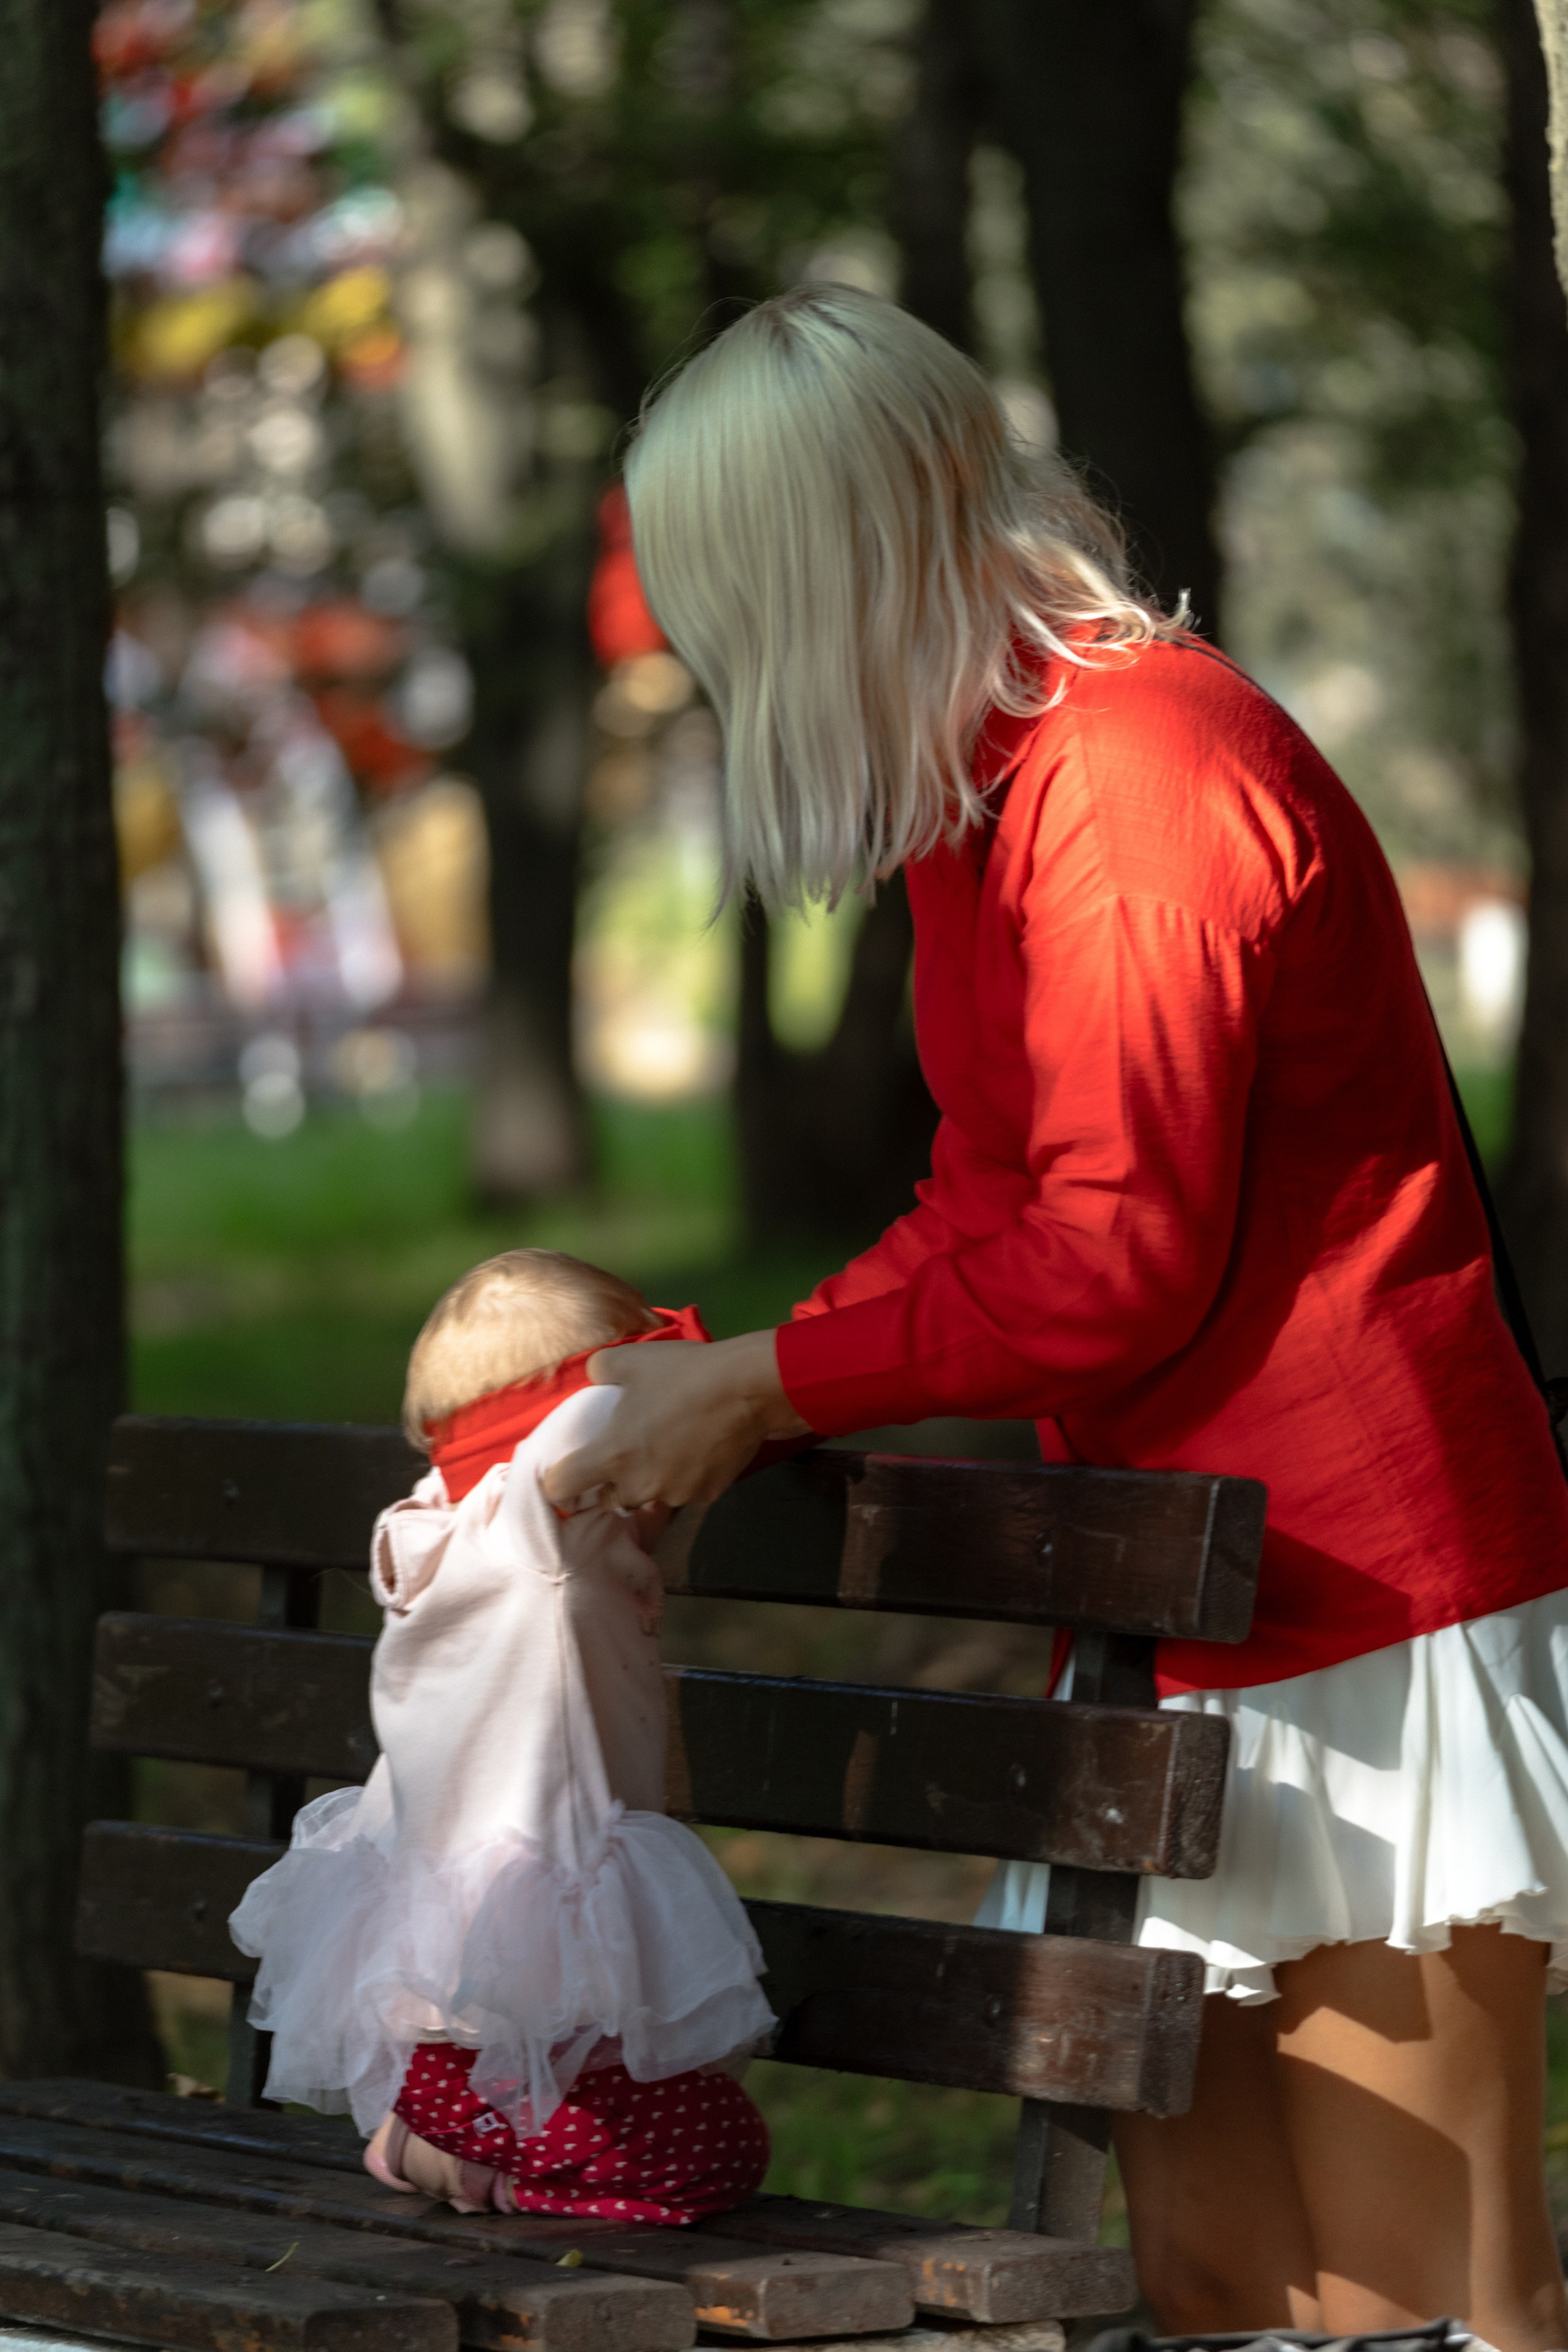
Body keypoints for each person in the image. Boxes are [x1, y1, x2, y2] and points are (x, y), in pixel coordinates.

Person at [542, 284, 1568, 2347]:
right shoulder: (994, 785)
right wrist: (731, 1384)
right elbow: (984, 1203)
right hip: (1174, 1608)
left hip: (1367, 1601)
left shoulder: (1141, 785)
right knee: (1213, 2290)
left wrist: (765, 1382)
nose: (717, 668)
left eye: (730, 609)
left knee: (1422, 2298)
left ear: (841, 562)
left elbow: (1113, 1258)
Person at [230, 1248, 774, 2225]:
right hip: (519, 2019)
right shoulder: (543, 1525)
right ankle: (488, 2174)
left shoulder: (436, 1526)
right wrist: (697, 1369)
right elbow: (596, 1417)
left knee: (669, 2109)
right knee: (717, 2153)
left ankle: (436, 2144)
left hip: (433, 2045)